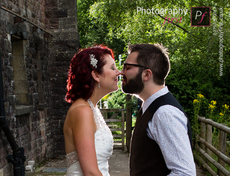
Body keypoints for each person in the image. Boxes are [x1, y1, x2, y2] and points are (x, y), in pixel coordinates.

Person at [120, 43, 196, 176]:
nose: (122, 72)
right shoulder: (150, 107)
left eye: (127, 67)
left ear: (146, 74)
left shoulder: (165, 113)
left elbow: (184, 173)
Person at [64, 45, 120, 176]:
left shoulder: (92, 107)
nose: (118, 72)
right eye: (112, 68)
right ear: (95, 75)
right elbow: (90, 172)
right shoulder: (82, 111)